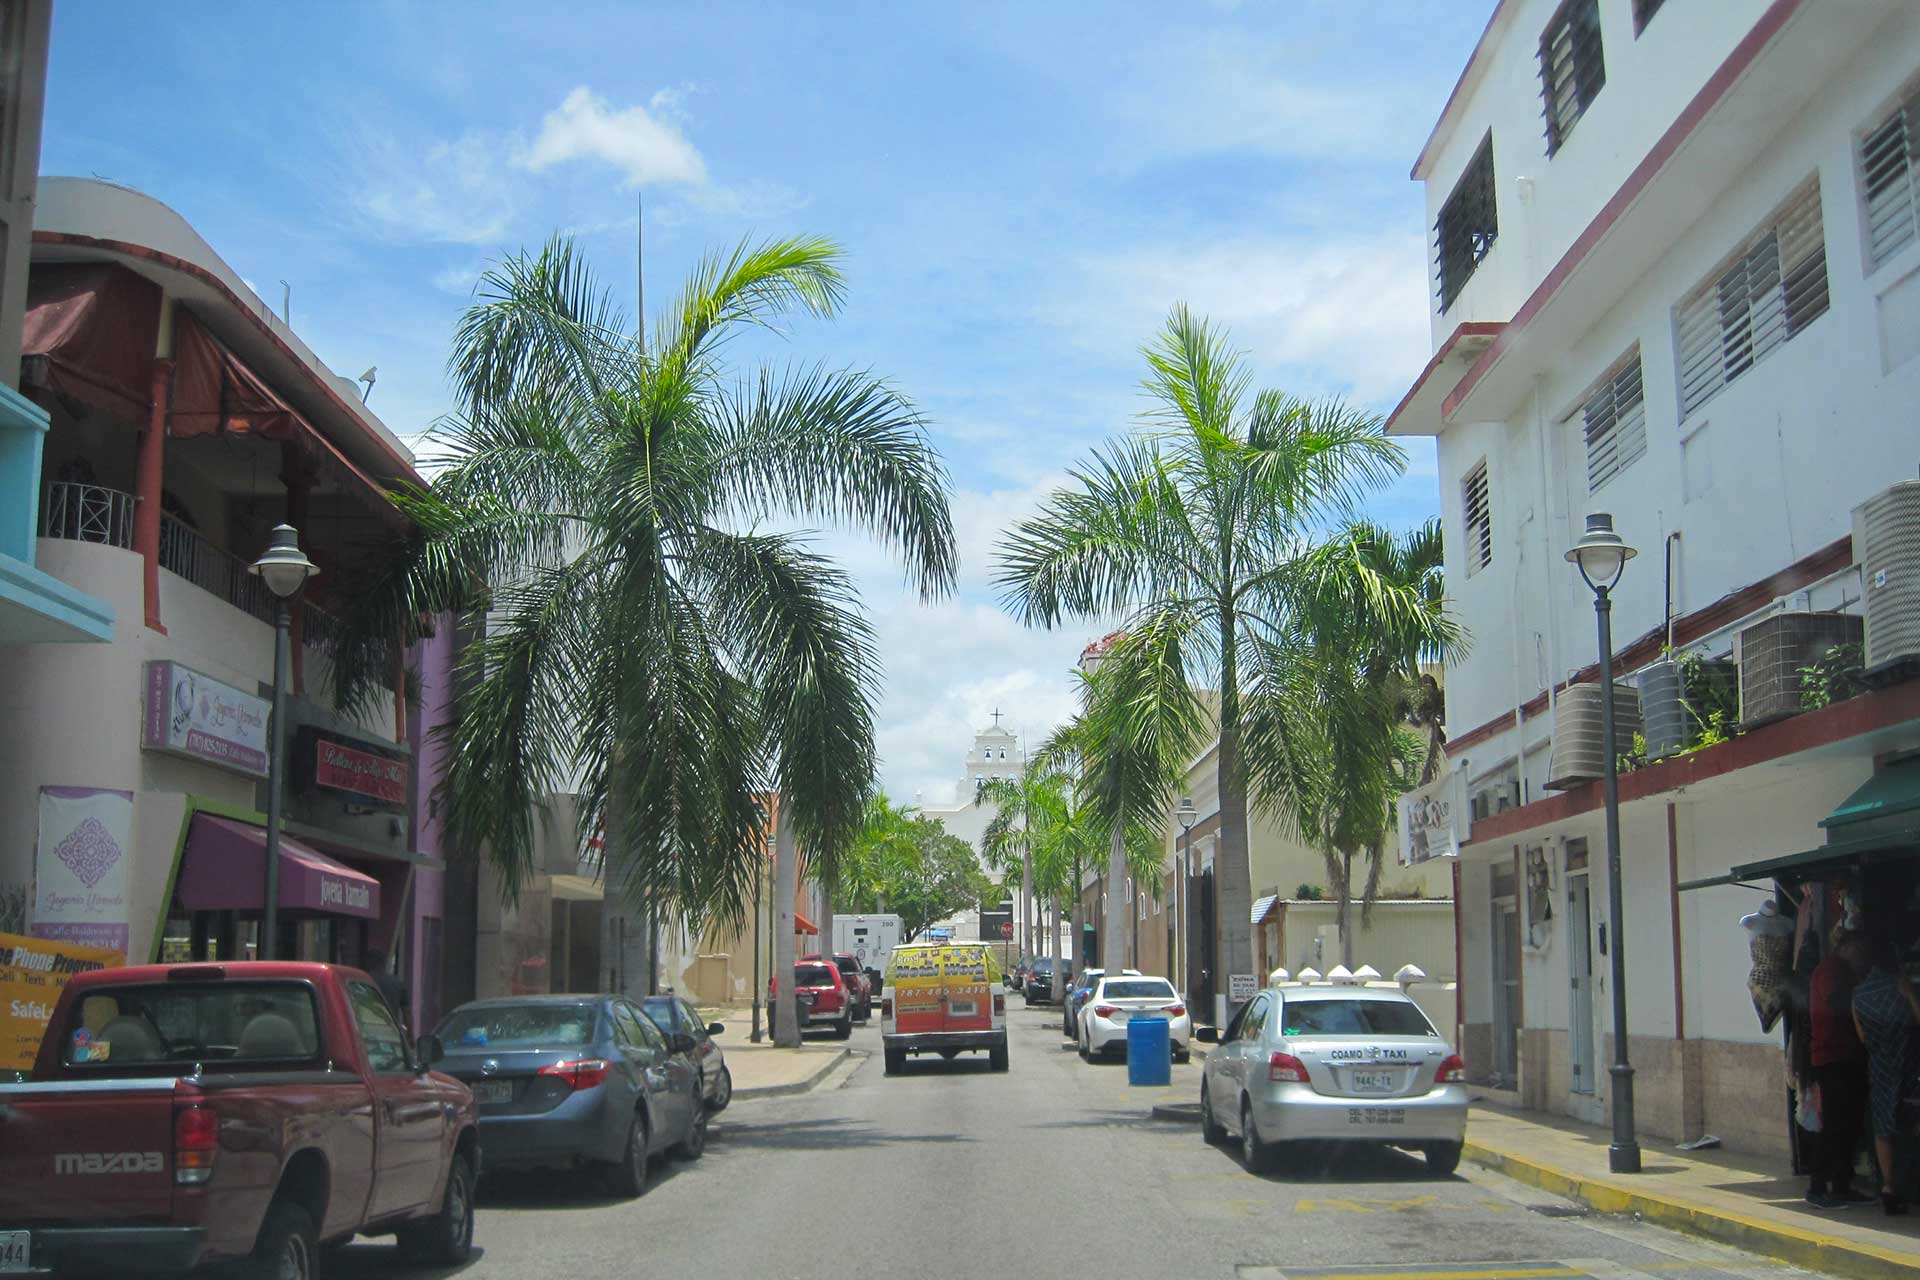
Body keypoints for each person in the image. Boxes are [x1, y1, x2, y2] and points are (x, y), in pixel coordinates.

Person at [1852, 932, 1920, 1217]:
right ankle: (1907, 1183)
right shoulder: (1900, 986)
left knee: (1883, 1130)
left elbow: (1863, 1037)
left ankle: (1889, 1186)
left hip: (1879, 1068)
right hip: (1908, 1066)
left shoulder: (1858, 995)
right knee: (1911, 1126)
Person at [1807, 928, 1873, 1208]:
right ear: (1845, 948)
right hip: (1833, 1057)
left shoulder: (1842, 970)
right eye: (1858, 952)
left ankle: (1842, 1185)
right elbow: (1837, 1003)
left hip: (1846, 1057)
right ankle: (1818, 1187)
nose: (1861, 958)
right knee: (1835, 1124)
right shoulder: (1831, 970)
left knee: (1849, 1124)